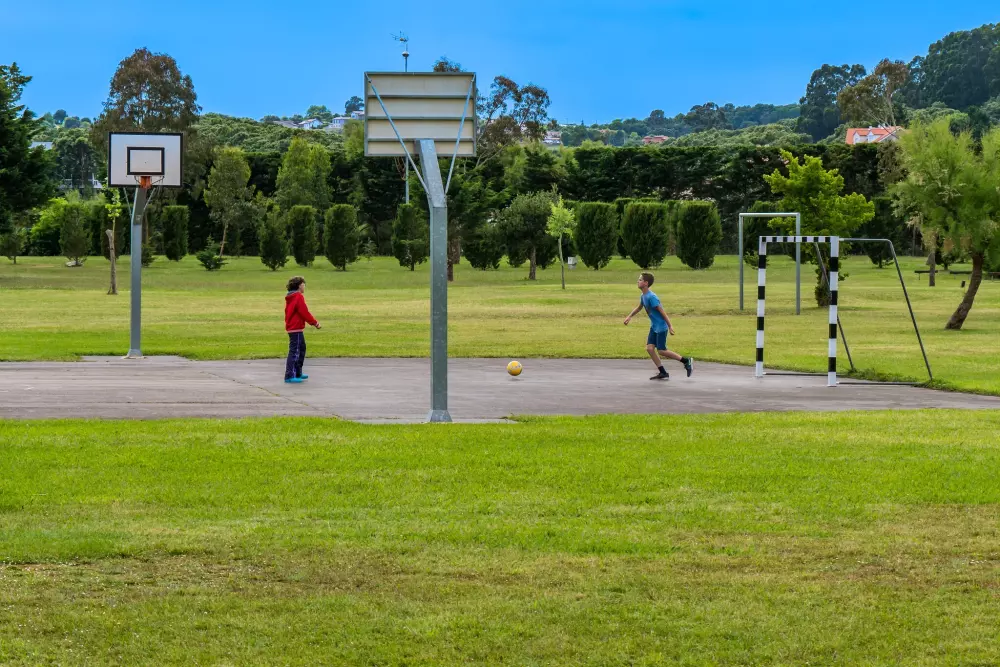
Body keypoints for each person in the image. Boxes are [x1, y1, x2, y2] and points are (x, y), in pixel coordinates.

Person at [623, 272, 693, 380]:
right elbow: (639, 307)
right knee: (650, 348)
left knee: (661, 350)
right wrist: (629, 317)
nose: (638, 281)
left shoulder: (652, 297)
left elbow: (662, 312)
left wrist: (670, 326)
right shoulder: (643, 296)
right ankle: (663, 372)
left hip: (661, 327)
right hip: (654, 326)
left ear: (646, 283)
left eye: (640, 280)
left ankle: (686, 360)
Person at [284, 276, 320, 383]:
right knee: (294, 351)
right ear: (299, 285)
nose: (304, 286)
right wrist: (314, 323)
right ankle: (289, 375)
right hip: (295, 328)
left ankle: (298, 372)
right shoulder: (298, 296)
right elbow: (304, 312)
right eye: (304, 284)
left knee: (302, 349)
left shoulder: (291, 296)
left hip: (295, 328)